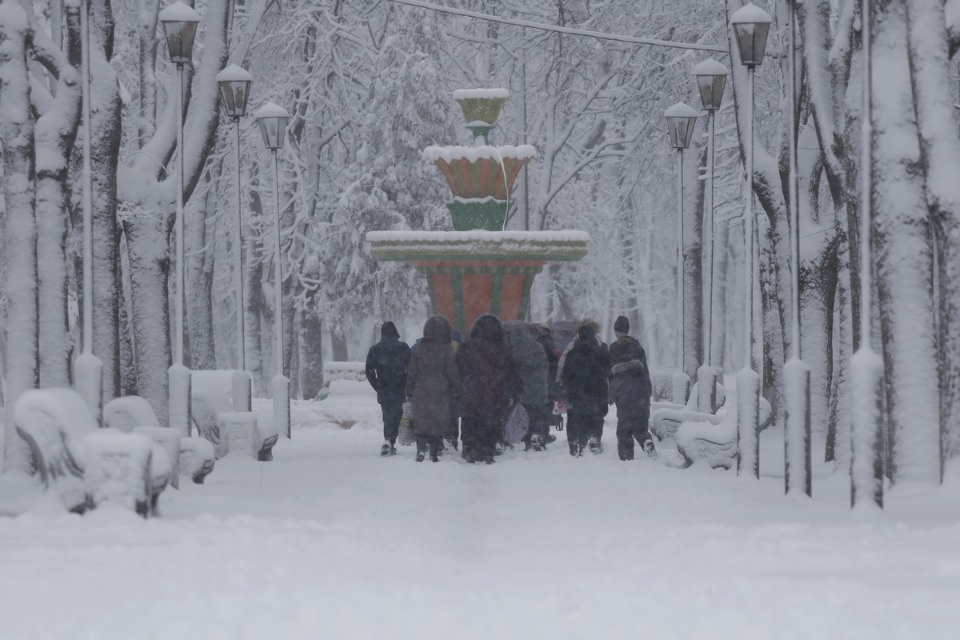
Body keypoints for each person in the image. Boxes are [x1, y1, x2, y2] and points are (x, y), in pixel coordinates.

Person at [456, 314, 522, 464]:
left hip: (471, 395)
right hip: (495, 395)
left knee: (472, 421)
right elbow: (513, 374)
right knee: (491, 422)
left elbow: (458, 371)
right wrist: (516, 391)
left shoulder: (466, 348)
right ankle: (488, 449)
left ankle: (471, 447)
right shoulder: (503, 350)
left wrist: (460, 388)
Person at [405, 316, 461, 462]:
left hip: (420, 391)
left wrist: (409, 391)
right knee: (437, 423)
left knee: (421, 422)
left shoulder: (419, 349)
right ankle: (434, 453)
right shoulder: (447, 350)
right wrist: (458, 389)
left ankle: (421, 449)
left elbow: (412, 372)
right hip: (441, 392)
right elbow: (453, 372)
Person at [608, 315, 656, 460]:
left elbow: (611, 376)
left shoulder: (613, 349)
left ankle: (626, 459)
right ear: (628, 330)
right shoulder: (637, 347)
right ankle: (646, 440)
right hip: (641, 391)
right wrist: (648, 390)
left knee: (624, 430)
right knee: (640, 426)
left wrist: (611, 395)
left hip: (624, 393)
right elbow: (645, 370)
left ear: (616, 331)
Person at [561, 323, 610, 456]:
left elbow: (566, 375)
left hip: (577, 392)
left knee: (577, 417)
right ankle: (594, 438)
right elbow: (608, 371)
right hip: (597, 391)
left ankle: (576, 441)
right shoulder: (601, 352)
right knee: (596, 416)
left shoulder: (572, 353)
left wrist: (567, 391)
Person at [365, 321, 412, 456]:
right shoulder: (403, 348)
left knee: (387, 416)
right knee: (397, 416)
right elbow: (411, 368)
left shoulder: (375, 350)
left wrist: (377, 386)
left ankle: (388, 439)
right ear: (395, 332)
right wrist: (407, 384)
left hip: (384, 389)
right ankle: (391, 440)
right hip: (399, 389)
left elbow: (369, 371)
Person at [504, 322, 550, 451]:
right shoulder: (539, 347)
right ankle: (538, 435)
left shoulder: (515, 351)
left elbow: (512, 372)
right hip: (540, 387)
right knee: (539, 414)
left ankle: (528, 437)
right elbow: (546, 365)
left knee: (526, 415)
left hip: (524, 389)